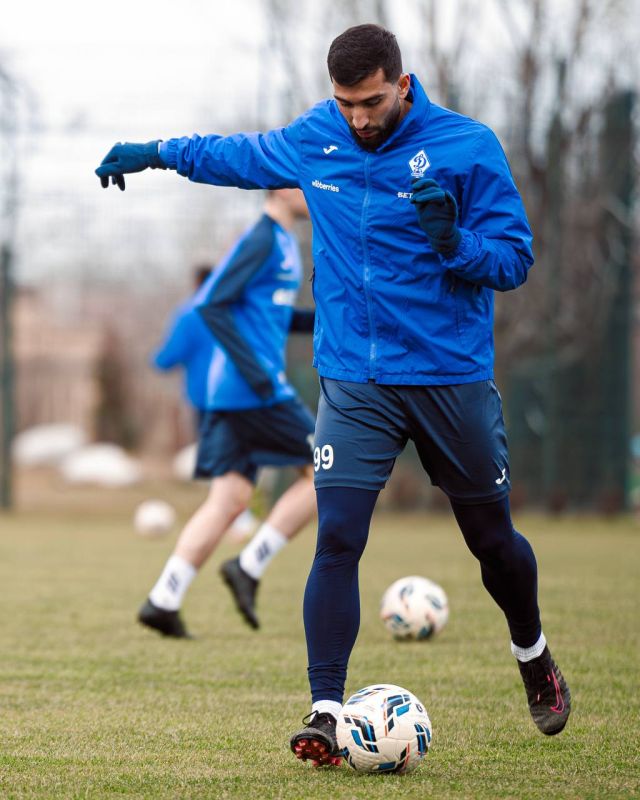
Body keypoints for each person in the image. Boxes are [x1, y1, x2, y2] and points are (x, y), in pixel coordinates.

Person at [96, 23, 571, 760]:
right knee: (338, 537)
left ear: (402, 85)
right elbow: (233, 155)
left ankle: (532, 652)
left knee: (492, 542)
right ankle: (324, 712)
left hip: (449, 376)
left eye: (371, 102)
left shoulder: (467, 147)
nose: (358, 118)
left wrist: (455, 244)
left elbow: (513, 261)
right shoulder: (318, 136)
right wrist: (155, 152)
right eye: (346, 103)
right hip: (355, 379)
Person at [136, 189, 318, 637]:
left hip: (232, 394)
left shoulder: (282, 240)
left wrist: (325, 319)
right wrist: (257, 375)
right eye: (304, 178)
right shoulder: (261, 238)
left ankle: (163, 600)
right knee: (328, 471)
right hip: (254, 391)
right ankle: (249, 565)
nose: (315, 185)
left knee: (229, 500)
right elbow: (211, 303)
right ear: (281, 188)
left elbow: (270, 315)